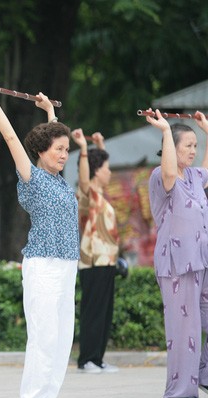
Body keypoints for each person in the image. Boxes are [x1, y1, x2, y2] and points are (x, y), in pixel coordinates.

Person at [0, 78, 78, 398]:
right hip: (43, 265)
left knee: (62, 337)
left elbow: (53, 132)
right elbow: (10, 137)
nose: (64, 154)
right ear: (41, 151)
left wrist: (48, 111)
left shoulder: (60, 180)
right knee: (44, 334)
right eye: (58, 149)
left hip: (67, 265)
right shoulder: (30, 176)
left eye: (66, 149)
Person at [146, 108, 208, 398]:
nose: (193, 152)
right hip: (176, 263)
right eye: (188, 146)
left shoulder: (196, 176)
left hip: (201, 262)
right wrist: (166, 130)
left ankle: (204, 374)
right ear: (173, 148)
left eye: (195, 147)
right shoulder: (162, 175)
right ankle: (180, 391)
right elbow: (170, 172)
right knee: (185, 329)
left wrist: (206, 131)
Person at [71, 129, 120, 374]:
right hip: (92, 263)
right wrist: (82, 149)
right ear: (96, 171)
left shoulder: (101, 196)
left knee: (105, 312)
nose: (109, 171)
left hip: (107, 261)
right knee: (93, 311)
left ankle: (98, 358)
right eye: (106, 167)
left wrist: (100, 146)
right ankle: (86, 359)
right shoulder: (87, 194)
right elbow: (83, 179)